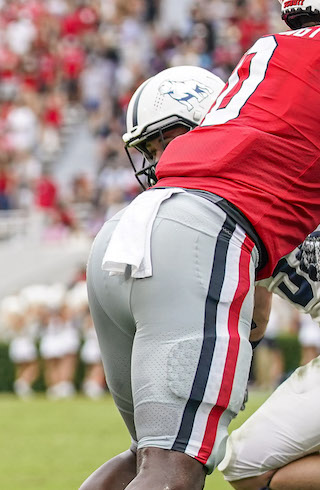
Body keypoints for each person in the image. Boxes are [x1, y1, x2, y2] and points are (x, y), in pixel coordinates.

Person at [83, 4, 320, 482]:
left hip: (137, 238)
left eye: (166, 140)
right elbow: (254, 318)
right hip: (204, 233)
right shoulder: (263, 167)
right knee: (186, 461)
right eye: (150, 149)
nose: (158, 158)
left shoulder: (272, 58)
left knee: (184, 460)